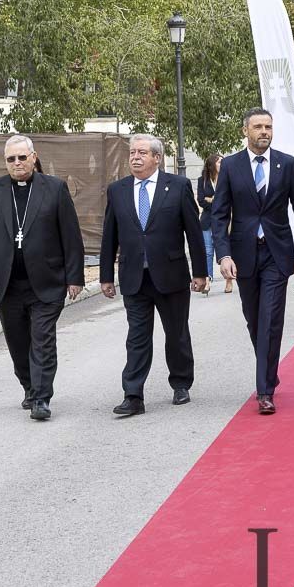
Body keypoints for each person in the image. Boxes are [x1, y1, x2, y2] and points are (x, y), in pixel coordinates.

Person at [0, 135, 85, 421]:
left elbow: (71, 237)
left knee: (43, 340)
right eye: (11, 159)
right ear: (5, 162)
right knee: (18, 342)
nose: (17, 163)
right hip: (7, 284)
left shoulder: (55, 189)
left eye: (22, 157)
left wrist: (75, 277)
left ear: (34, 157)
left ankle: (41, 398)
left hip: (47, 282)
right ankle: (29, 386)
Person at [211, 108, 294, 415]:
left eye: (268, 126)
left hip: (277, 253)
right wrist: (224, 254)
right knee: (254, 319)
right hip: (242, 255)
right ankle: (268, 370)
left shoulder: (287, 164)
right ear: (246, 131)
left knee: (270, 319)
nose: (264, 131)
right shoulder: (230, 166)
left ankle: (264, 391)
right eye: (258, 127)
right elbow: (219, 215)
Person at [100, 134, 208, 416]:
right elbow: (109, 235)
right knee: (137, 336)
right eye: (132, 152)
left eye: (142, 153)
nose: (135, 157)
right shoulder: (118, 190)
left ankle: (181, 382)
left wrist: (200, 272)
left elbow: (194, 233)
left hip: (171, 276)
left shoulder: (178, 186)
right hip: (134, 277)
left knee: (176, 334)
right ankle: (133, 394)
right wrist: (106, 276)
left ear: (157, 158)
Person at [197, 153, 223, 292]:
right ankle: (208, 280)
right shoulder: (202, 180)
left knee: (225, 249)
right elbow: (201, 200)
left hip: (224, 221)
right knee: (208, 251)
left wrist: (211, 199)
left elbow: (228, 200)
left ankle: (229, 280)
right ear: (212, 165)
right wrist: (216, 201)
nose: (222, 165)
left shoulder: (226, 179)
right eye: (219, 162)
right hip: (207, 221)